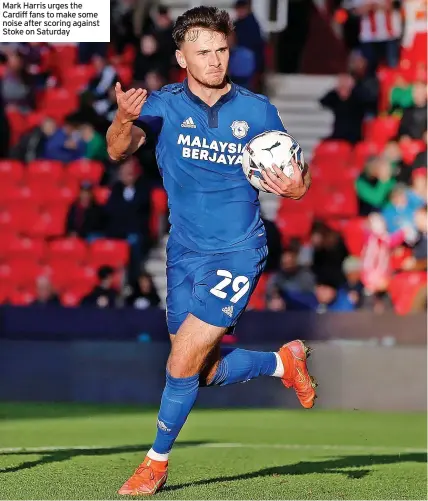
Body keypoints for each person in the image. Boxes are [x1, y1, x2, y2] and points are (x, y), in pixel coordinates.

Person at [106, 6, 315, 496]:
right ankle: (282, 363)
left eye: (222, 50)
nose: (216, 60)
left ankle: (154, 464)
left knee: (179, 364)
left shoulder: (257, 109)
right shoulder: (160, 106)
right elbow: (118, 150)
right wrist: (122, 117)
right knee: (201, 369)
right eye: (203, 52)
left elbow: (295, 169)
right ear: (181, 56)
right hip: (182, 253)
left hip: (238, 251)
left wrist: (297, 187)